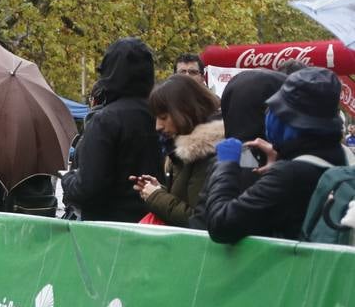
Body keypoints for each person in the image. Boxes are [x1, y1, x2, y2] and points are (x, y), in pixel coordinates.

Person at [204, 67, 349, 243]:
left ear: (289, 120)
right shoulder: (343, 157)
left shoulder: (288, 175)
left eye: (274, 109)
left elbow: (221, 224)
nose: (267, 115)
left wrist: (225, 166)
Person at [59, 37, 162, 221]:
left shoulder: (106, 120)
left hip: (108, 230)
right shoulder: (161, 115)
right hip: (151, 223)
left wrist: (68, 180)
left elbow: (88, 187)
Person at [131, 74, 223, 227]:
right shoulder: (184, 148)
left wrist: (156, 196)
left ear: (186, 111)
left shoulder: (206, 154)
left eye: (164, 117)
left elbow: (197, 219)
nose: (158, 126)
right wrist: (158, 190)